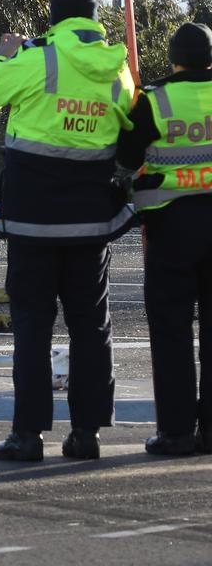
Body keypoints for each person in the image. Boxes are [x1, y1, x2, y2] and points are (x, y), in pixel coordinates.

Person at [0, 0, 136, 462]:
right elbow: (130, 132)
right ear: (94, 19)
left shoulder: (39, 58)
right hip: (90, 227)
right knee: (91, 328)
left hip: (32, 224)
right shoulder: (117, 73)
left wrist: (2, 54)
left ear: (55, 20)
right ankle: (87, 435)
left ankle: (28, 435)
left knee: (33, 327)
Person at [116, 22, 212, 456]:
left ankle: (176, 432)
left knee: (172, 331)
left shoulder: (155, 100)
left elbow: (125, 156)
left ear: (174, 58)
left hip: (172, 227)